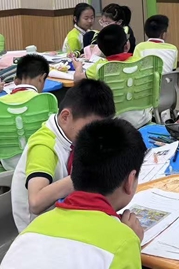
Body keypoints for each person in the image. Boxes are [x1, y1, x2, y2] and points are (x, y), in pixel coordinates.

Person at [1, 118, 145, 269]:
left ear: (74, 170)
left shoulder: (32, 229)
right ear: (130, 181)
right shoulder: (124, 242)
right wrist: (131, 241)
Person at [10, 79, 115, 232]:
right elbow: (36, 202)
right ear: (65, 117)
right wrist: (83, 176)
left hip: (63, 213)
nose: (96, 136)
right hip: (38, 230)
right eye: (92, 129)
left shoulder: (70, 133)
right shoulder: (44, 146)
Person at [0, 54, 52, 171]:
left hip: (8, 166)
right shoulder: (46, 101)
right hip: (40, 164)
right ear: (42, 78)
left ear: (16, 80)